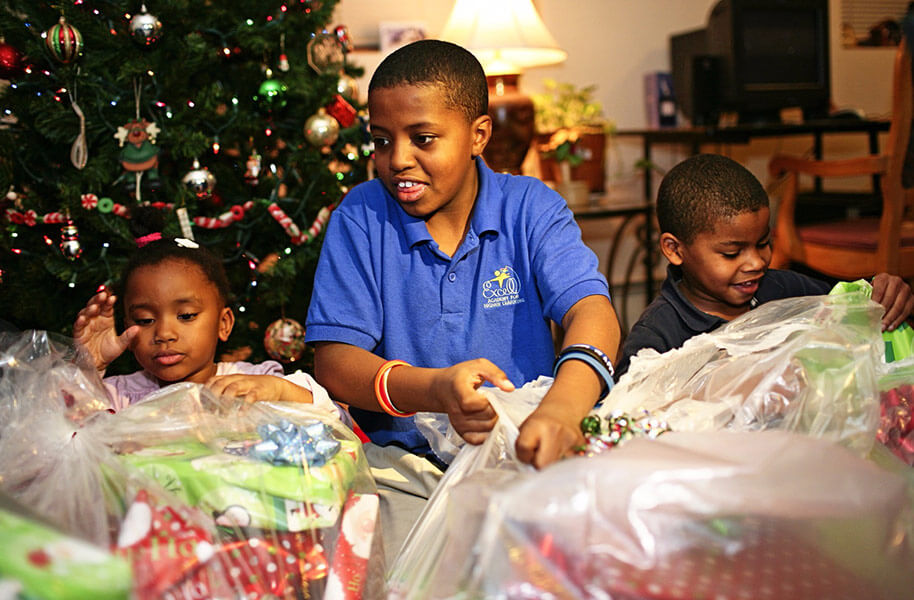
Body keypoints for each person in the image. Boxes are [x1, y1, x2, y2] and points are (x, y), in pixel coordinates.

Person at [305, 39, 621, 556]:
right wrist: (436, 392)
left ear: (478, 135)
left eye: (423, 139)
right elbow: (336, 363)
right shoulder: (360, 217)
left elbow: (593, 313)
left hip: (529, 453)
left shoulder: (531, 208)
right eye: (381, 141)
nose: (397, 161)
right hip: (402, 472)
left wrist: (562, 412)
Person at [615, 153, 914, 378]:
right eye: (732, 253)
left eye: (763, 243)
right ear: (674, 249)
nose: (756, 262)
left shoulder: (784, 289)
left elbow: (851, 308)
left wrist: (884, 292)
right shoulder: (658, 335)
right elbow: (630, 412)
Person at [74, 208, 332, 412]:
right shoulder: (117, 397)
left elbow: (335, 419)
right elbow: (56, 445)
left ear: (224, 323)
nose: (164, 333)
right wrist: (89, 369)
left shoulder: (254, 381)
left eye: (186, 316)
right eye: (145, 320)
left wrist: (280, 391)